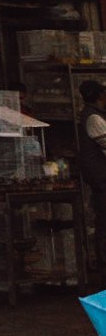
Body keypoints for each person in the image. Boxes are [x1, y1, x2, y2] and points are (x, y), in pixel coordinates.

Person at [78, 80, 106, 276]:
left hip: (100, 176)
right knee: (104, 221)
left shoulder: (95, 115)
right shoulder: (93, 118)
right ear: (99, 96)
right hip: (101, 177)